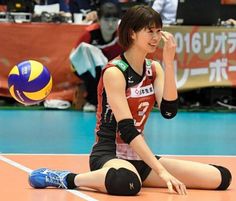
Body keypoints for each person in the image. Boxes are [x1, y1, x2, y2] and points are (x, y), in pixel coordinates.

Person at [28, 5, 232, 196]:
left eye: (158, 31)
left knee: (221, 177)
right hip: (109, 154)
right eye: (149, 31)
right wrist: (161, 171)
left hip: (140, 158)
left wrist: (169, 63)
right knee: (126, 182)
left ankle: (138, 174)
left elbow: (169, 111)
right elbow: (127, 129)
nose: (156, 37)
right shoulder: (115, 71)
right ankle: (67, 178)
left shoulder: (154, 69)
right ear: (132, 33)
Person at [70, 2, 122, 112]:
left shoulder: (121, 34)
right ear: (98, 20)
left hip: (110, 66)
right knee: (94, 58)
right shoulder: (89, 33)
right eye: (106, 20)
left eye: (114, 20)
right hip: (81, 66)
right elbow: (75, 55)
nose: (111, 24)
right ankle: (92, 101)